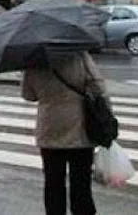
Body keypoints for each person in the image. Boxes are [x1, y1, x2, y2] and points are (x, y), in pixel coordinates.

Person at [22, 52, 107, 215]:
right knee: (81, 182)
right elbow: (98, 87)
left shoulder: (34, 60)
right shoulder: (79, 55)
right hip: (80, 125)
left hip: (50, 128)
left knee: (53, 181)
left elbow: (28, 95)